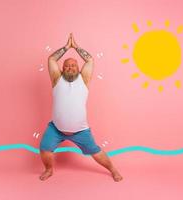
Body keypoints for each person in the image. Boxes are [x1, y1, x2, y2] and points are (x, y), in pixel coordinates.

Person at [39, 33, 123, 182]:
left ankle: (113, 169)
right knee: (45, 148)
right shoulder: (56, 79)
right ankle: (49, 169)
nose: (70, 67)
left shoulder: (83, 79)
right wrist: (66, 47)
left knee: (96, 151)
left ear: (78, 68)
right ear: (62, 68)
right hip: (56, 129)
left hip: (81, 131)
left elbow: (90, 60)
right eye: (67, 65)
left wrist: (75, 47)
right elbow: (51, 59)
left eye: (73, 65)